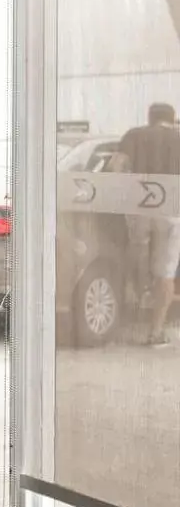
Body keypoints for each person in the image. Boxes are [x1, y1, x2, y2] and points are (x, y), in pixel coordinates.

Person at [112, 103, 180, 347]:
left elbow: (114, 166)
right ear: (172, 119)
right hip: (172, 210)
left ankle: (138, 294)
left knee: (138, 250)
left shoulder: (134, 134)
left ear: (149, 118)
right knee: (166, 271)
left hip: (139, 206)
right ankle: (155, 331)